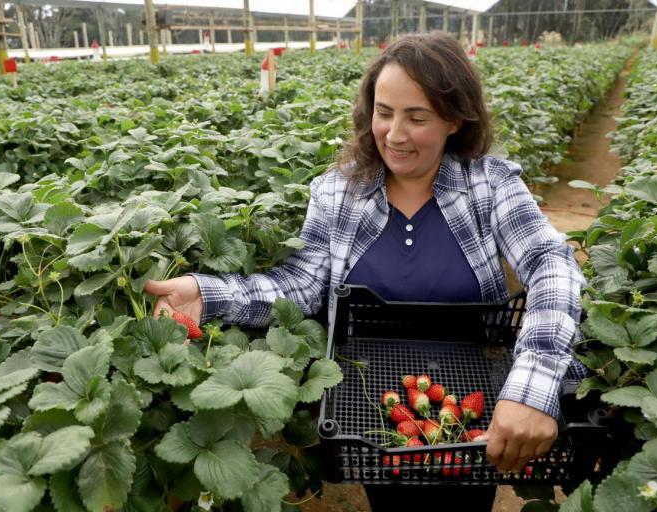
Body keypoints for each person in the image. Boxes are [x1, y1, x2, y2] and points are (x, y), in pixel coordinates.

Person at [144, 31, 587, 510]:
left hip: (473, 410)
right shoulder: (338, 192)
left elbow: (551, 264)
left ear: (455, 119)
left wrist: (533, 387)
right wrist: (206, 295)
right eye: (384, 112)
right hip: (372, 414)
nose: (394, 134)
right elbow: (302, 284)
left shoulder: (490, 185)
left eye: (417, 117)